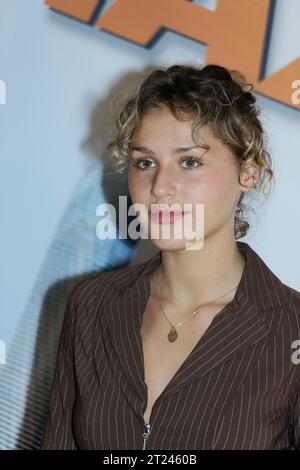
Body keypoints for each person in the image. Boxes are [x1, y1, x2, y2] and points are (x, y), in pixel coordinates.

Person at [41, 63, 300, 450]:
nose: (160, 187)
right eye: (145, 162)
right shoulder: (91, 305)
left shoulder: (290, 329)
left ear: (248, 172)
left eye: (190, 162)